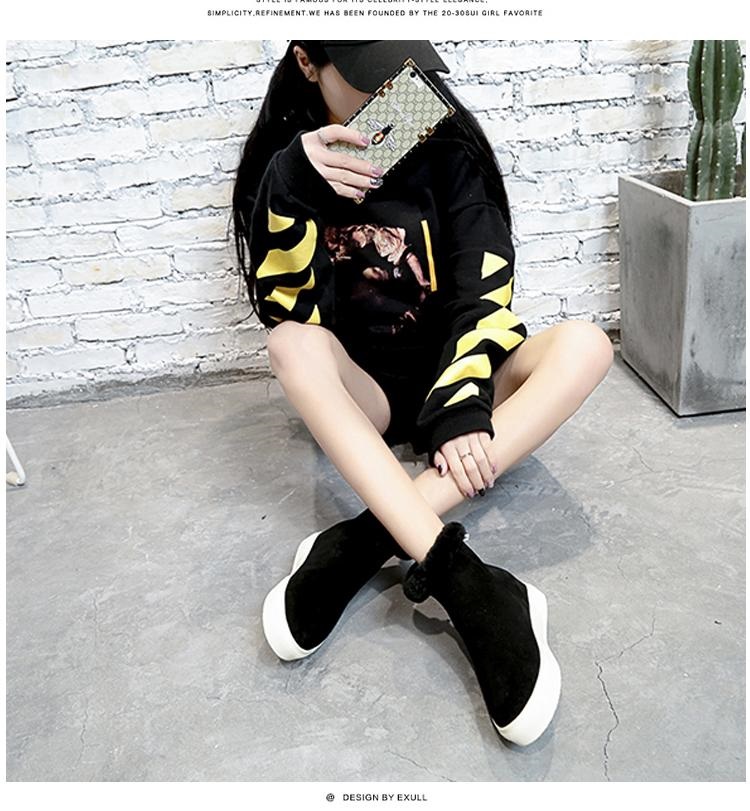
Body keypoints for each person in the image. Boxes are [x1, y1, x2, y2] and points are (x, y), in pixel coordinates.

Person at [232, 40, 614, 747]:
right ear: (308, 63)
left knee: (587, 344)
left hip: (458, 372)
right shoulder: (290, 164)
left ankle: (365, 537)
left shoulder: (447, 148)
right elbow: (288, 310)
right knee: (289, 345)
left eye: (401, 71)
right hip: (368, 395)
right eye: (369, 77)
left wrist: (463, 402)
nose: (392, 94)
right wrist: (291, 184)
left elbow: (483, 292)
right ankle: (474, 586)